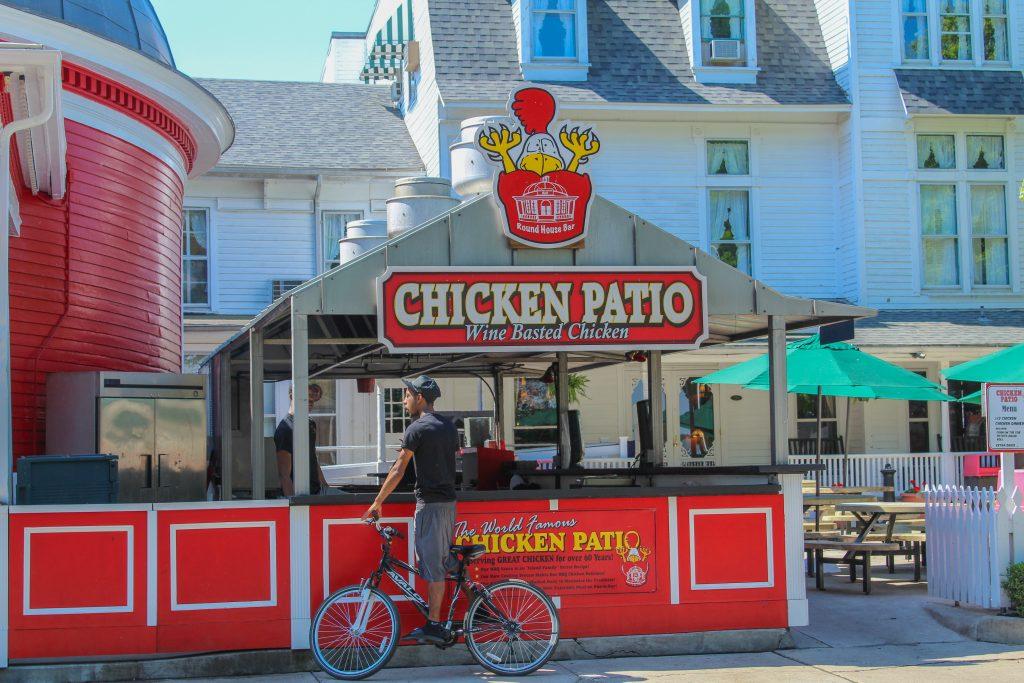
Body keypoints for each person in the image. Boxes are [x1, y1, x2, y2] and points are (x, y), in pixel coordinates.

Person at [361, 375, 458, 645]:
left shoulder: (417, 428)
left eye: (406, 395)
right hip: (448, 505)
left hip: (432, 506)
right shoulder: (449, 427)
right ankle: (478, 609)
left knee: (435, 567)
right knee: (442, 562)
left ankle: (435, 625)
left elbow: (398, 469)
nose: (404, 400)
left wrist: (377, 502)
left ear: (420, 398)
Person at [274, 384, 330, 496]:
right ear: (292, 396)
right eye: (306, 398)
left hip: (316, 493)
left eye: (312, 399)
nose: (311, 401)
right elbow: (284, 475)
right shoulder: (286, 429)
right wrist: (294, 504)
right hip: (300, 496)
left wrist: (325, 487)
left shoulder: (310, 424)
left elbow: (312, 458)